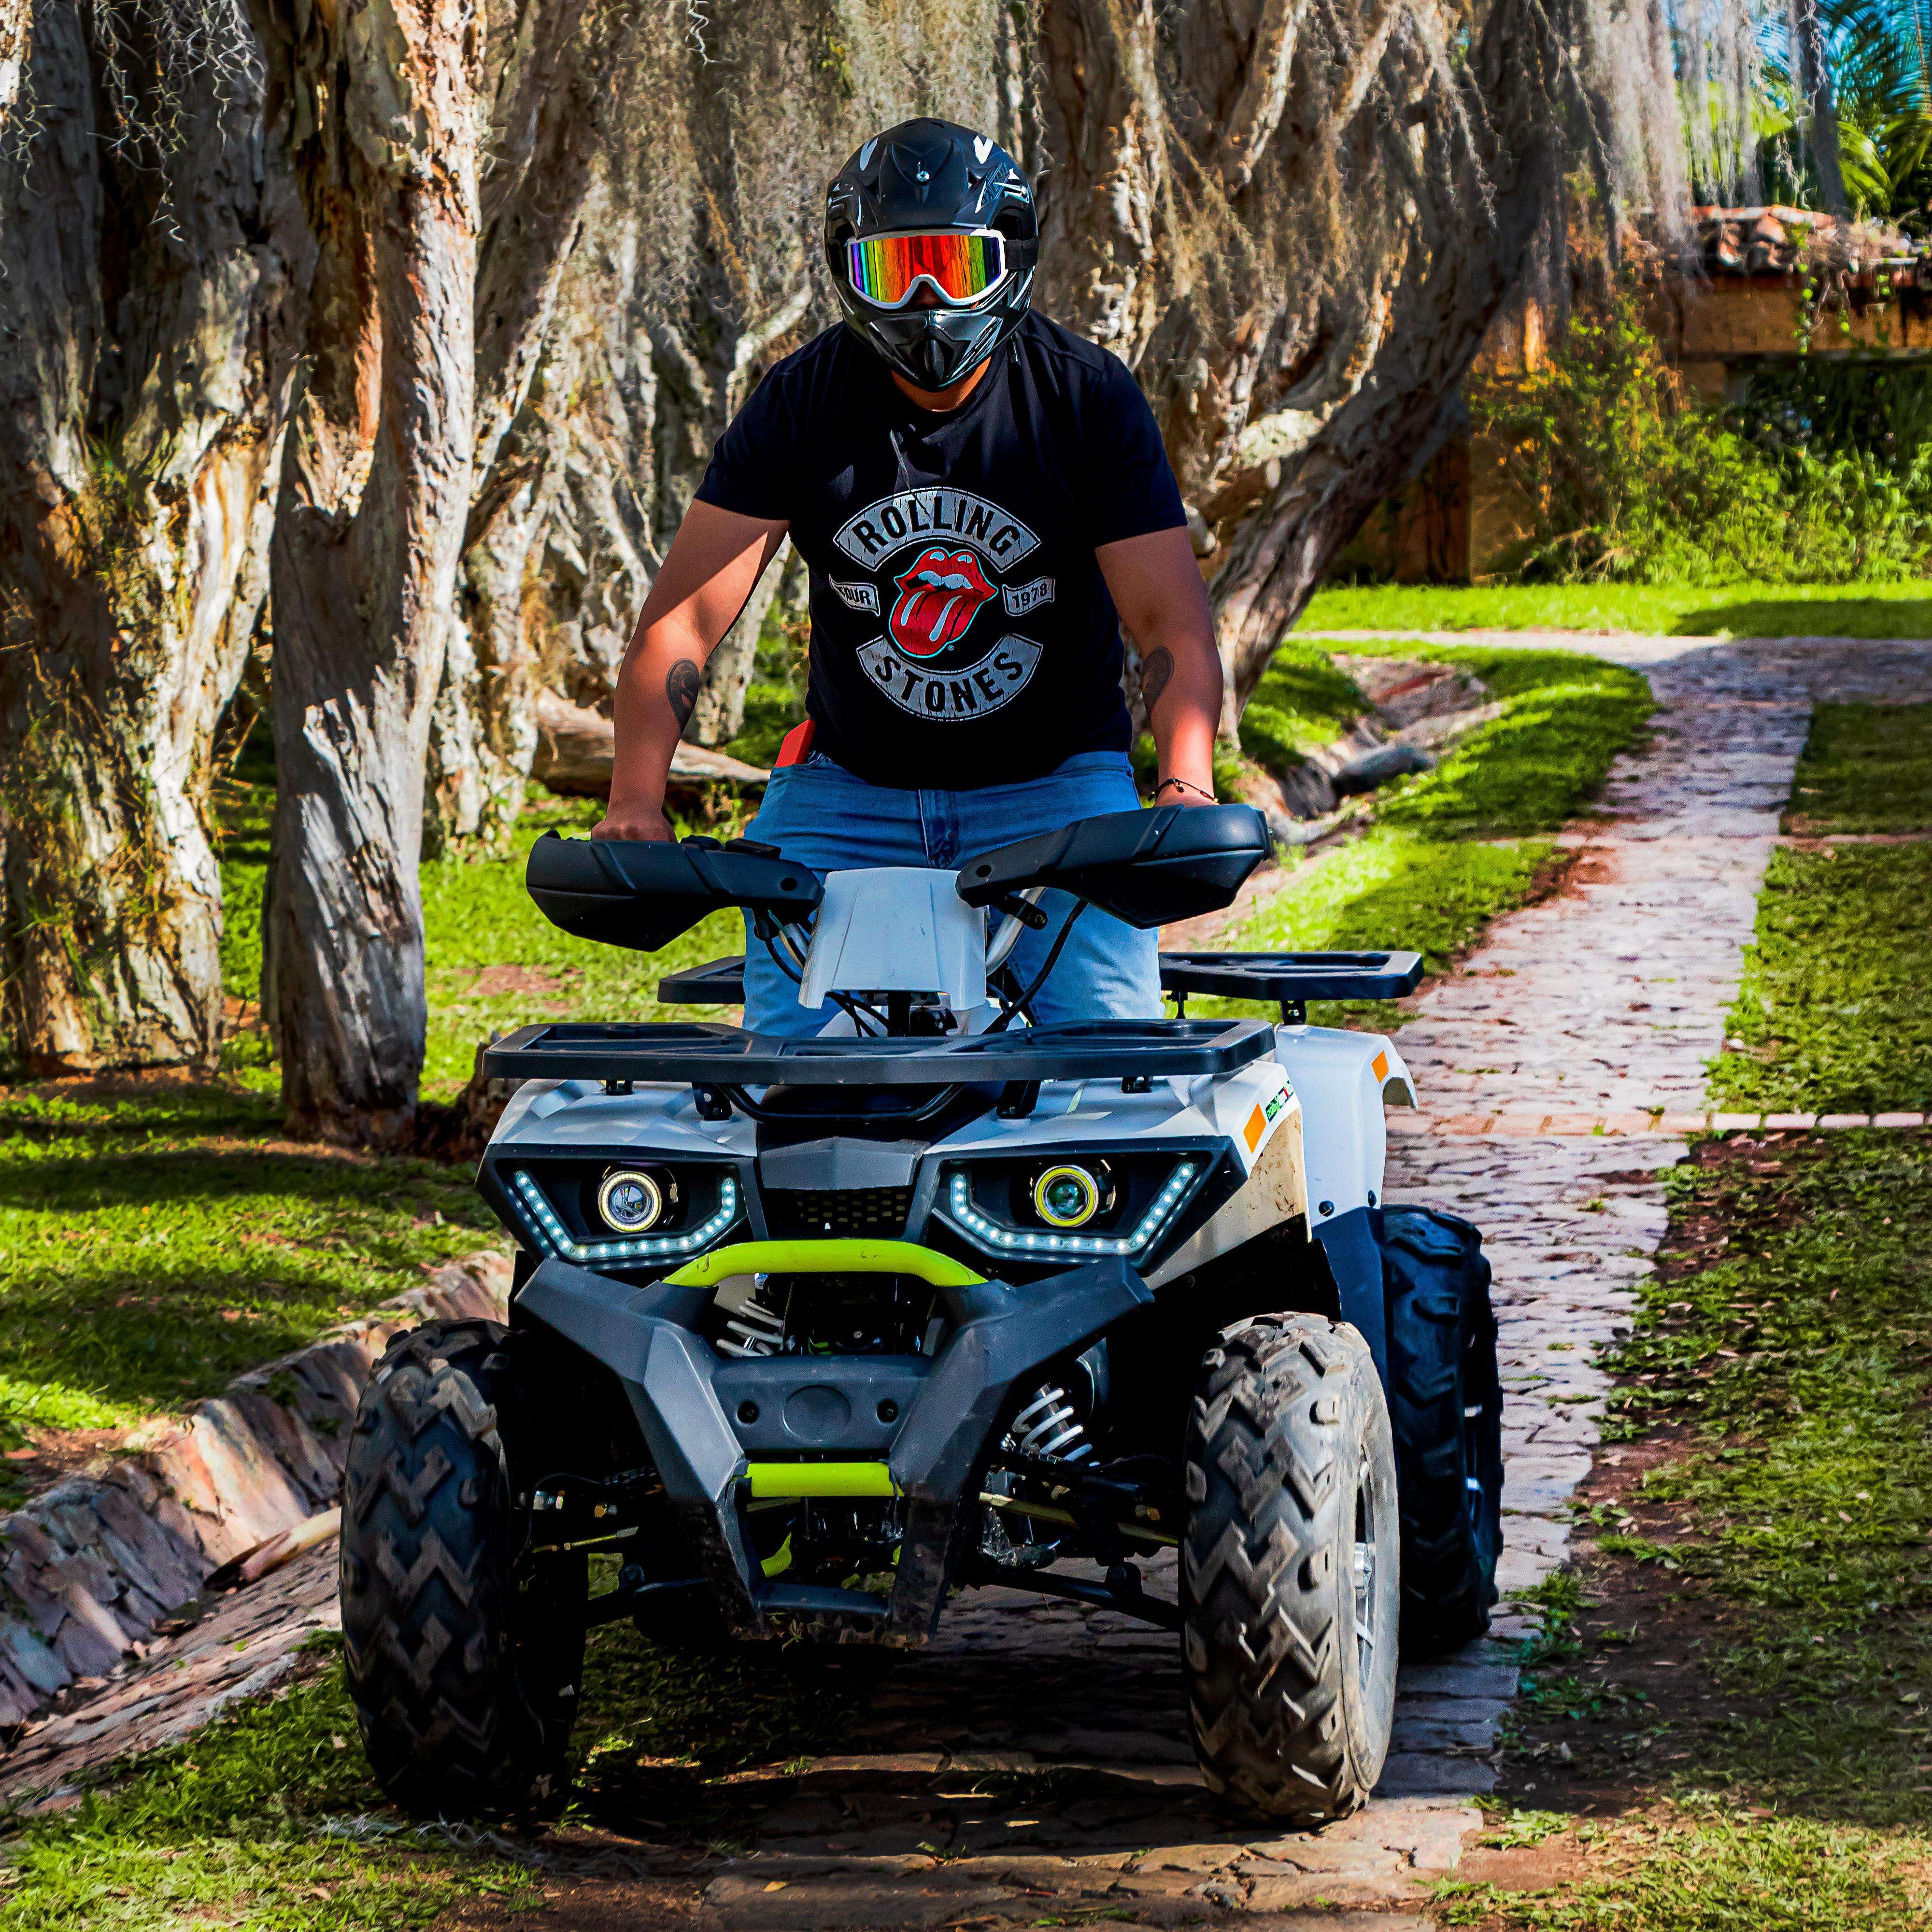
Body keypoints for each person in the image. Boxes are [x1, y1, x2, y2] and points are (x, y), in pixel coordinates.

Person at [592, 116, 1224, 1032]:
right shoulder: (801, 401)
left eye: (955, 266)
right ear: (849, 274)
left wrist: (1186, 790)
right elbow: (681, 624)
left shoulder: (1086, 397)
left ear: (1010, 259)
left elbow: (1170, 622)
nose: (927, 300)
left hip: (1056, 787)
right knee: (790, 1072)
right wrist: (634, 803)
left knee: (1108, 1067)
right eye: (894, 271)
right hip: (849, 791)